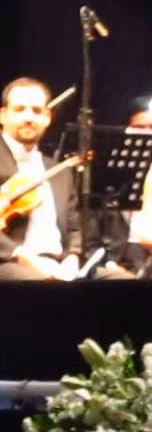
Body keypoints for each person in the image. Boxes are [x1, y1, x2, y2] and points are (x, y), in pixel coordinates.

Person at [0, 78, 81, 280]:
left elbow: (74, 227)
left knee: (123, 284)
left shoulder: (60, 170)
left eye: (36, 111)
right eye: (19, 110)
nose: (29, 117)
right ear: (2, 115)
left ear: (47, 117)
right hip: (10, 262)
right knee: (41, 285)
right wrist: (23, 256)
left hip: (59, 264)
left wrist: (73, 257)